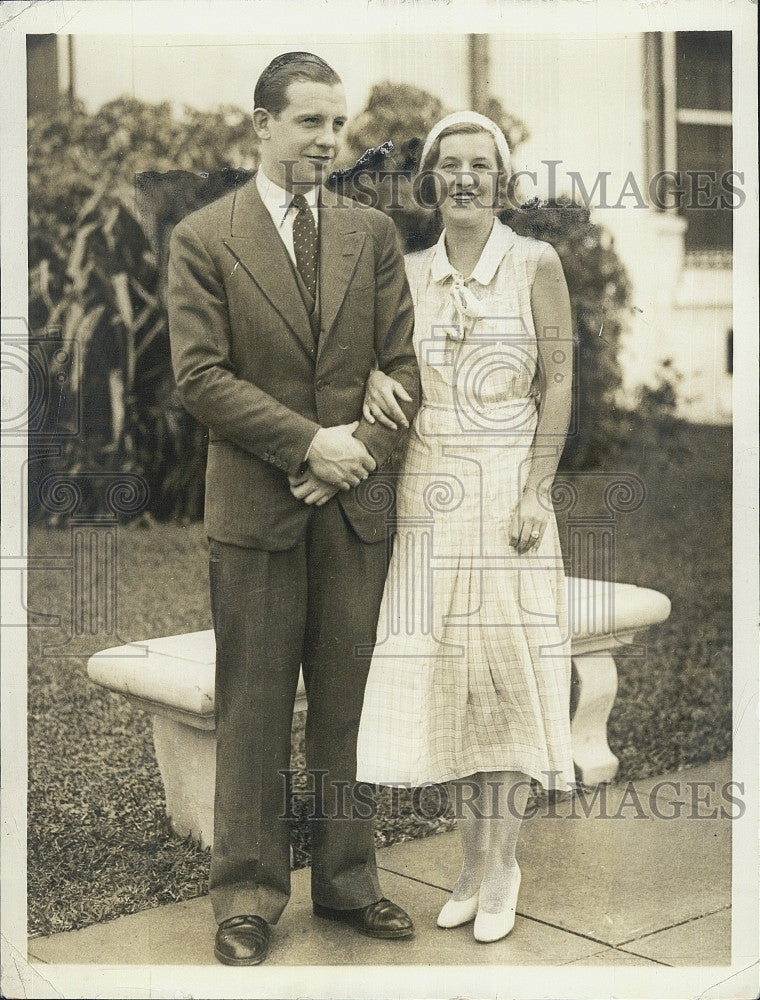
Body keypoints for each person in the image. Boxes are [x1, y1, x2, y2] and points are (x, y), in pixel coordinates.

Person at [168, 52, 420, 966]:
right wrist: (311, 446)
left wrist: (352, 456)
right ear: (263, 125)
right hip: (257, 509)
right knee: (256, 705)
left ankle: (350, 885)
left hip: (351, 513)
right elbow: (200, 378)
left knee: (348, 704)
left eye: (337, 124)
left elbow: (404, 369)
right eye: (310, 122)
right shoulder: (204, 236)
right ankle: (247, 897)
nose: (327, 140)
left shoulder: (372, 234)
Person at [354, 112, 575, 944]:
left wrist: (535, 492)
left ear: (502, 179)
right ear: (431, 180)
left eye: (482, 165)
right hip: (428, 493)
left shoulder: (535, 264)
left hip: (508, 496)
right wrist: (375, 374)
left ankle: (504, 863)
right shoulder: (408, 272)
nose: (465, 178)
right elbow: (382, 362)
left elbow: (557, 384)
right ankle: (468, 861)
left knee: (508, 680)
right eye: (450, 166)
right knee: (449, 682)